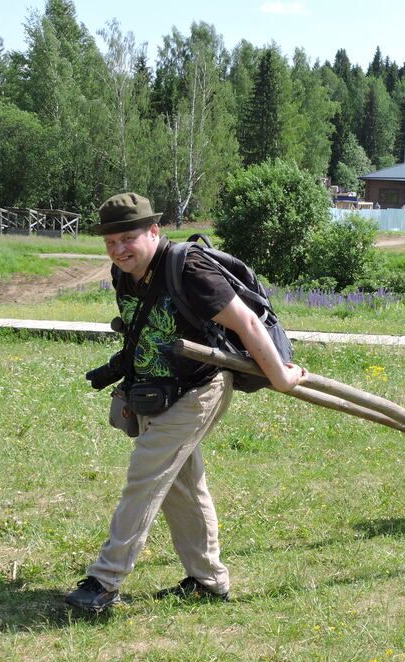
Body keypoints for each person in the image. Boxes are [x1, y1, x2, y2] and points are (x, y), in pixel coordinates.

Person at [66, 193, 304, 613]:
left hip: (199, 387)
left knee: (145, 476)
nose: (119, 250)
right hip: (157, 391)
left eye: (127, 239)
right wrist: (128, 382)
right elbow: (142, 332)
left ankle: (105, 580)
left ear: (153, 231)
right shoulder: (125, 274)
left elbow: (247, 322)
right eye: (110, 242)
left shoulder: (189, 269)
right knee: (182, 486)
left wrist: (282, 378)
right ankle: (208, 580)